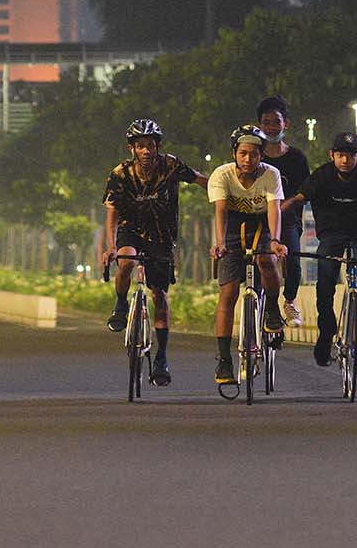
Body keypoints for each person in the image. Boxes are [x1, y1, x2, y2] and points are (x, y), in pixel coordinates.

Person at [101, 118, 208, 387]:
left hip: (162, 236)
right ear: (132, 149)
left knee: (159, 295)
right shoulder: (120, 174)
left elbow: (199, 179)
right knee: (125, 262)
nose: (146, 151)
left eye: (150, 146)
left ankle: (161, 356)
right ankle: (121, 302)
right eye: (140, 146)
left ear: (157, 146)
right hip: (130, 230)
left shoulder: (171, 165)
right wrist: (110, 247)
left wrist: (227, 190)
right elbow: (112, 211)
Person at [280, 131, 357, 366]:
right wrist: (275, 215)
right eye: (340, 155)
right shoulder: (322, 175)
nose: (345, 160)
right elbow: (298, 198)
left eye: (351, 155)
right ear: (332, 156)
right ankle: (326, 334)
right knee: (325, 277)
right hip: (331, 232)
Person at [207, 124, 289, 385]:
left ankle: (273, 308)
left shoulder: (271, 175)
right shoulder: (221, 175)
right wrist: (220, 243)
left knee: (266, 260)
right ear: (234, 153)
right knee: (229, 292)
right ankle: (223, 360)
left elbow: (274, 208)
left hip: (262, 225)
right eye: (243, 153)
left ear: (261, 155)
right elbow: (220, 211)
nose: (248, 159)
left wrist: (275, 241)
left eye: (254, 154)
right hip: (232, 226)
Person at [256, 96, 310, 327]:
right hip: (258, 221)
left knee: (293, 261)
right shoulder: (254, 156)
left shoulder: (296, 158)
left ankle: (289, 300)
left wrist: (279, 207)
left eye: (275, 122)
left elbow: (304, 193)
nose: (270, 128)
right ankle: (267, 306)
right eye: (266, 122)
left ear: (285, 124)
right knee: (259, 262)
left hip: (288, 221)